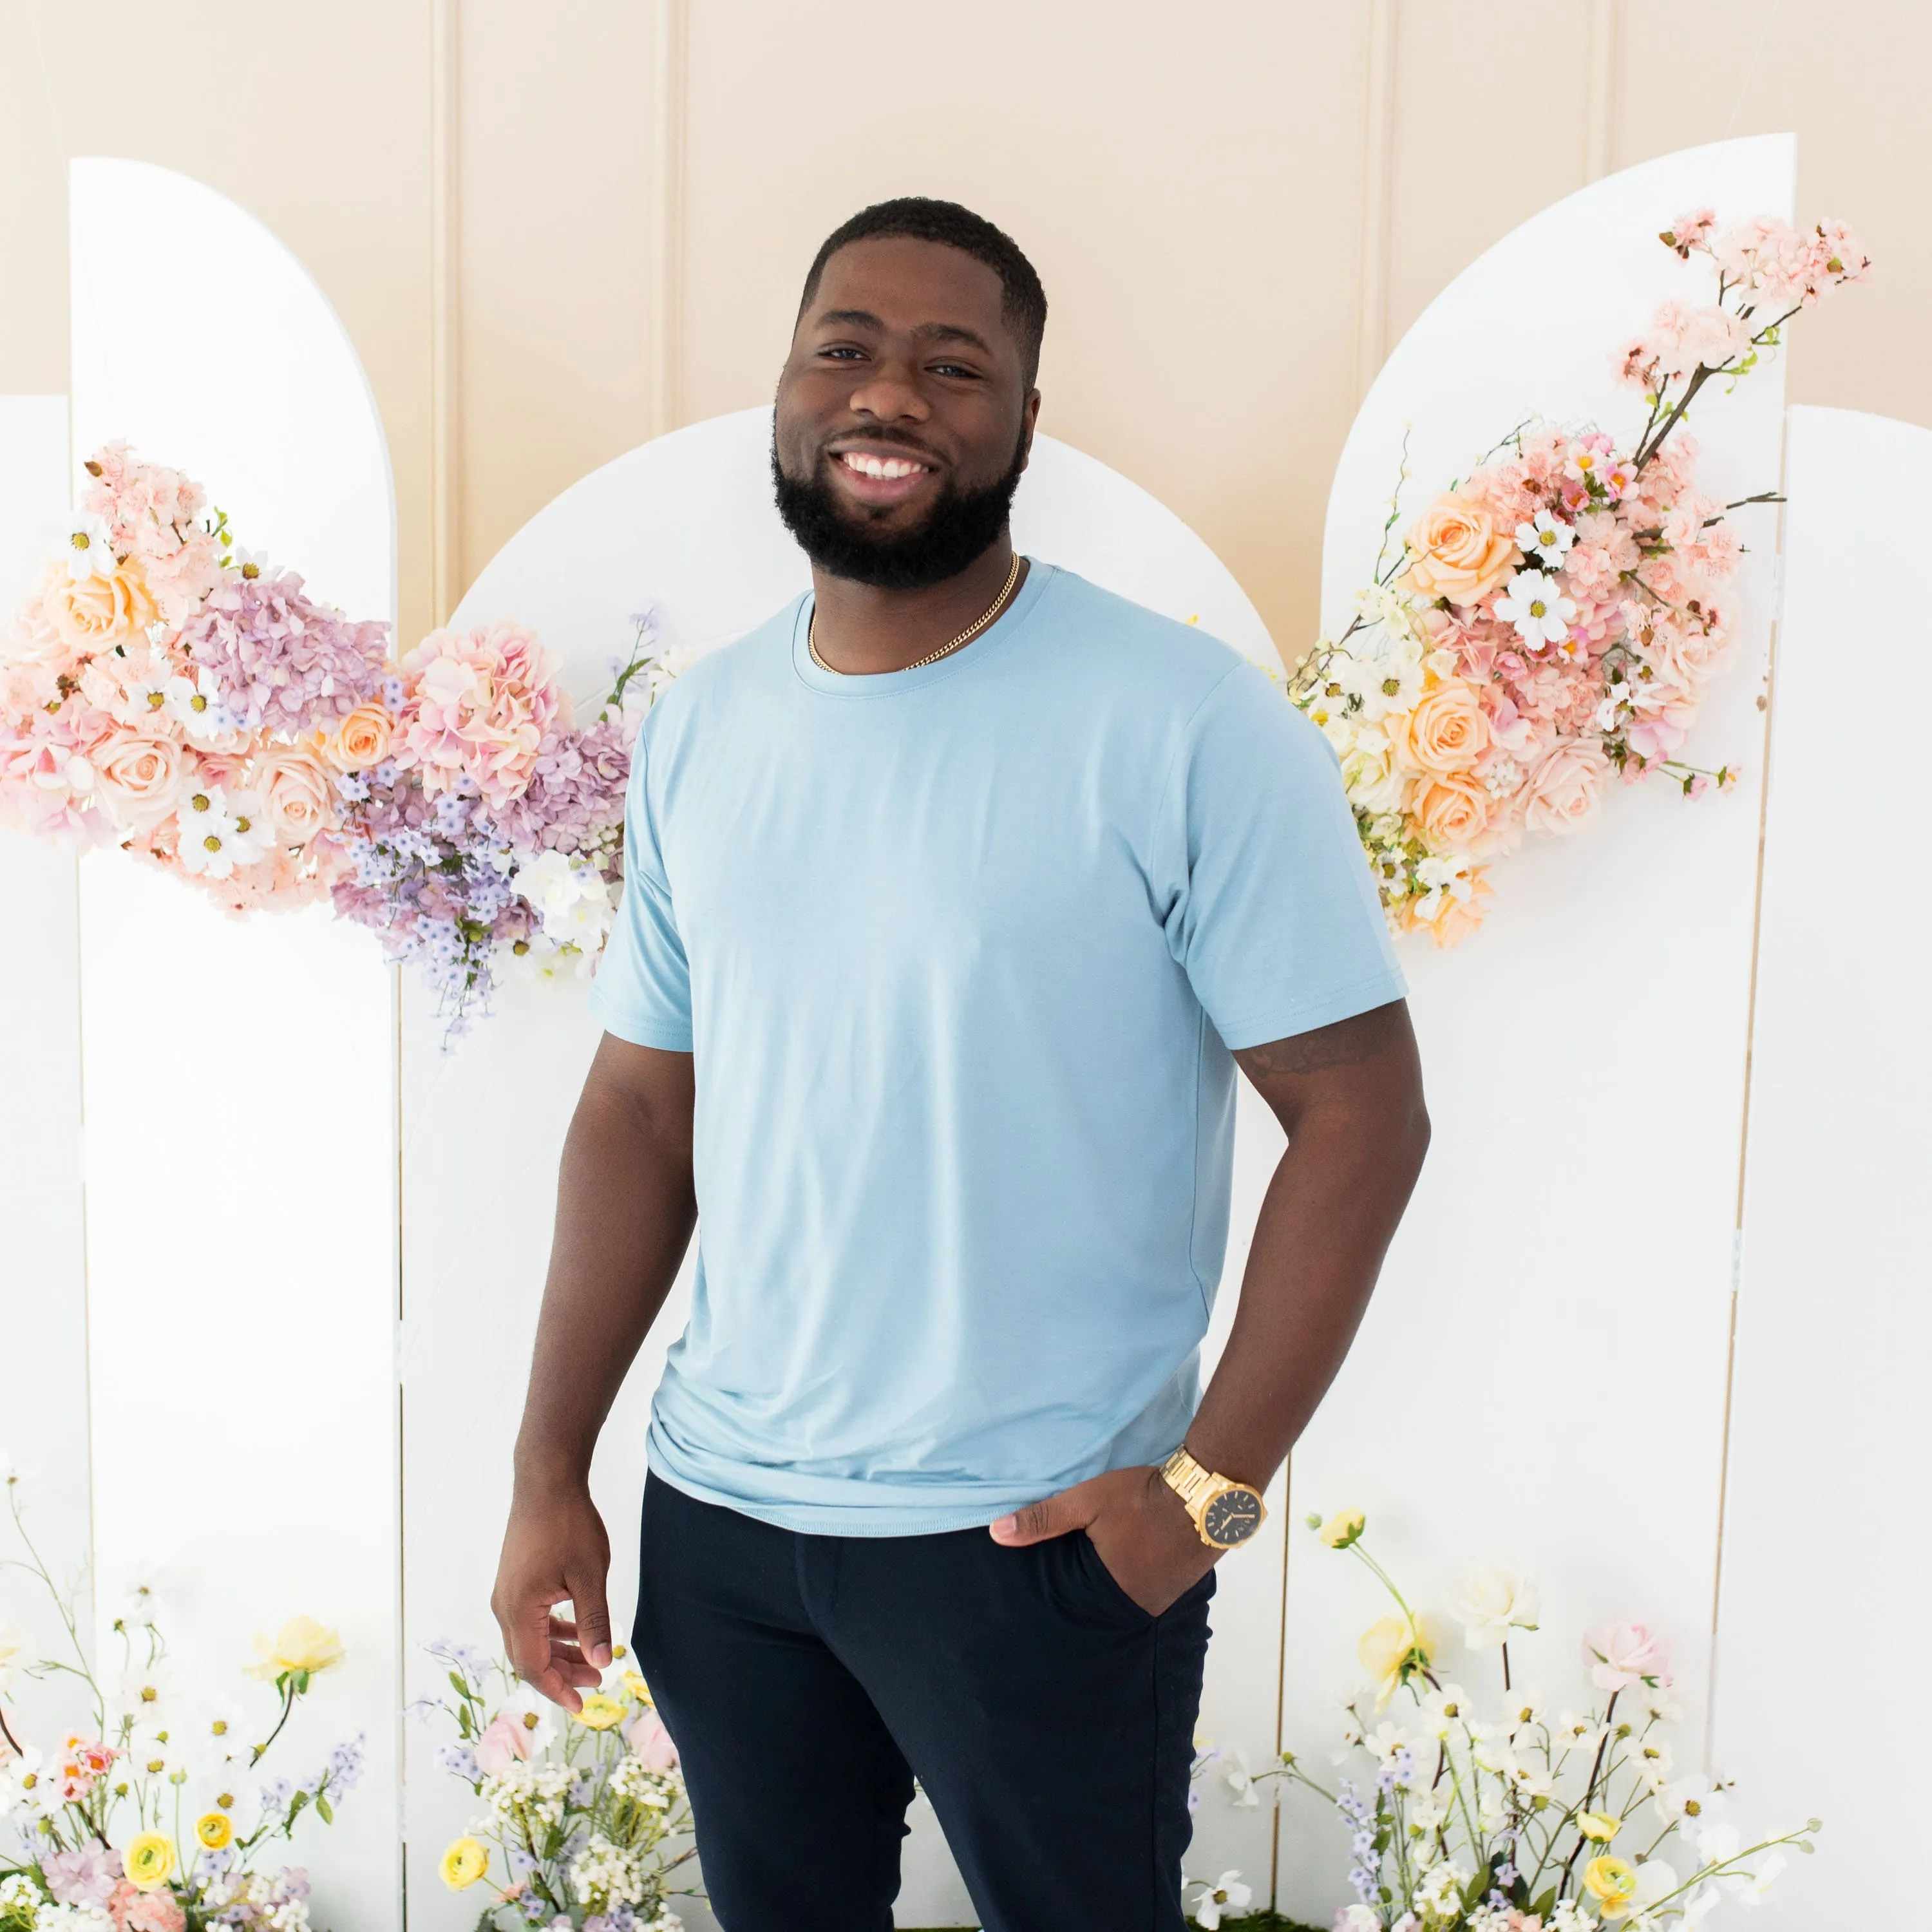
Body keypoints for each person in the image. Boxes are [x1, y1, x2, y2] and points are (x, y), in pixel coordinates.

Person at [491, 196, 1430, 1931]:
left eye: (952, 364)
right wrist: (554, 1468)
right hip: (724, 1531)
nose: (891, 396)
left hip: (1041, 1550)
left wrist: (1203, 1498)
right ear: (787, 386)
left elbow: (1363, 1112)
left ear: (1022, 422)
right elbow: (642, 1107)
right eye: (846, 347)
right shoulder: (702, 724)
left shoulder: (1184, 722)